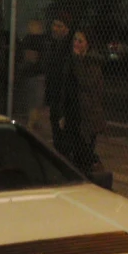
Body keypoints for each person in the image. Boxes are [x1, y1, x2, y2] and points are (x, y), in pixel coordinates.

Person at [69, 29, 106, 174]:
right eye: (75, 40)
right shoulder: (74, 59)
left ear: (88, 44)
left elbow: (86, 83)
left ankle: (95, 169)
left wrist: (77, 60)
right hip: (76, 110)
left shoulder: (92, 62)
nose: (76, 44)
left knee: (86, 149)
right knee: (77, 150)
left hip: (89, 112)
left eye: (80, 41)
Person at [42, 11, 74, 155]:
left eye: (59, 26)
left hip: (66, 96)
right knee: (56, 130)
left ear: (66, 29)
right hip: (55, 95)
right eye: (54, 25)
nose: (55, 28)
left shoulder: (70, 47)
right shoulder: (53, 44)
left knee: (65, 133)